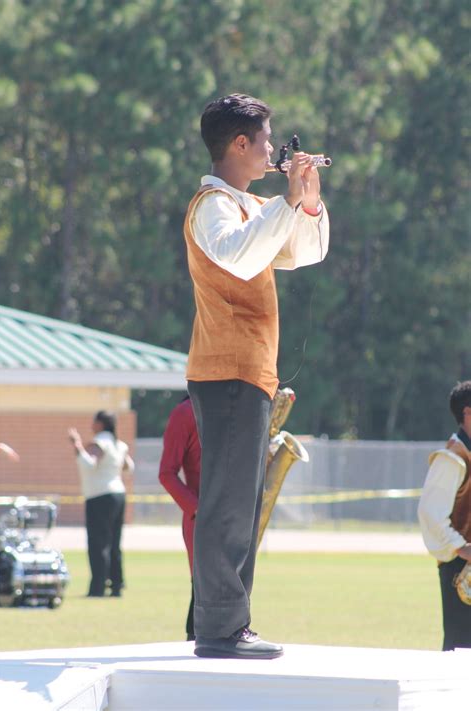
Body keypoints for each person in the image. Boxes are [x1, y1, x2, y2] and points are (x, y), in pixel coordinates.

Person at [184, 93, 330, 659]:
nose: (274, 150)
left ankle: (219, 621)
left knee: (239, 500)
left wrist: (306, 202)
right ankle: (222, 628)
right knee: (229, 501)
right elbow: (243, 258)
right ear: (240, 144)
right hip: (226, 370)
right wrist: (284, 202)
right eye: (267, 140)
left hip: (247, 371)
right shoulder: (211, 206)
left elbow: (302, 252)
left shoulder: (247, 205)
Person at [418, 380, 471, 650]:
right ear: (467, 413)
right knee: (461, 648)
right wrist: (461, 548)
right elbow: (430, 512)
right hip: (461, 571)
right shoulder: (453, 457)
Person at [68, 411, 134, 597]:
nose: (92, 424)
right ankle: (116, 585)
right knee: (114, 543)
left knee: (98, 544)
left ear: (100, 424)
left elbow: (90, 464)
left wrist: (77, 445)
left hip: (100, 496)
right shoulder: (119, 444)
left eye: (94, 421)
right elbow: (129, 467)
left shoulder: (99, 442)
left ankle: (97, 588)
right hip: (119, 494)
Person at [158, 395, 200, 641]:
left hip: (235, 518)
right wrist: (197, 509)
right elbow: (166, 473)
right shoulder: (185, 413)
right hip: (201, 520)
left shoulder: (235, 410)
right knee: (203, 596)